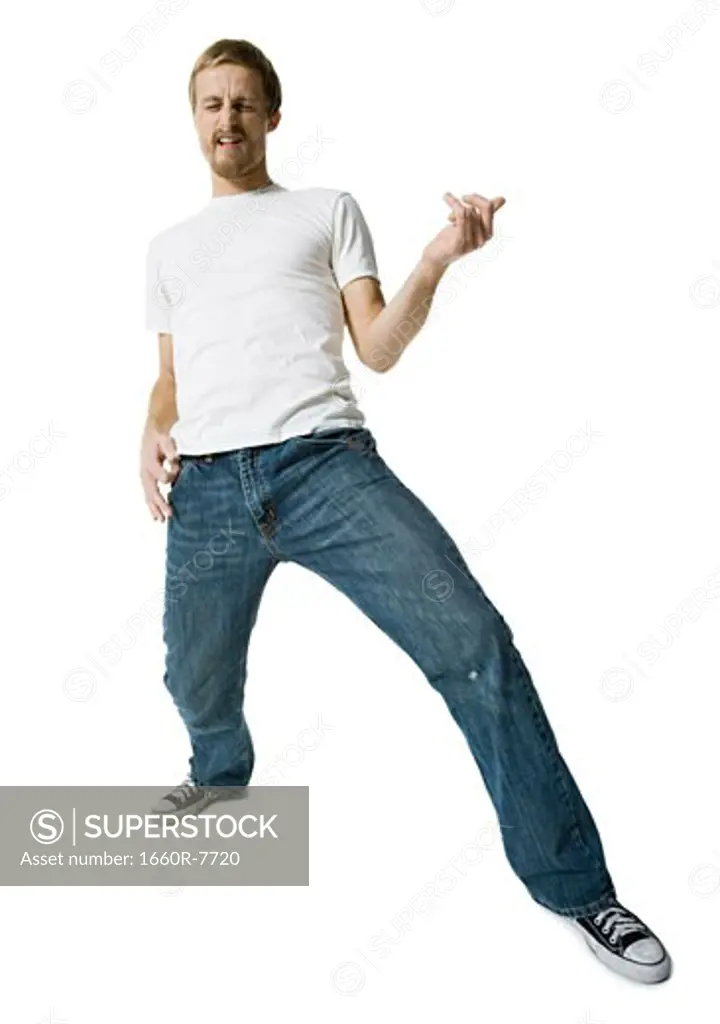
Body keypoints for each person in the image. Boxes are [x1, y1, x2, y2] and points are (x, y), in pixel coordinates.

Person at [140, 37, 671, 984]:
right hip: (210, 489)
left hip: (326, 468)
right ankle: (221, 779)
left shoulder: (323, 210)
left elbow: (377, 346)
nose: (227, 119)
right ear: (196, 119)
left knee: (474, 642)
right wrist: (149, 431)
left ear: (271, 114)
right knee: (192, 676)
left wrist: (437, 259)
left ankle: (578, 888)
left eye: (244, 103)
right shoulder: (169, 249)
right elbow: (172, 379)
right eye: (211, 104)